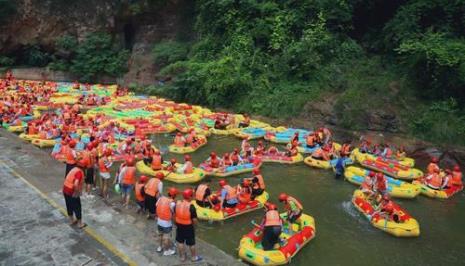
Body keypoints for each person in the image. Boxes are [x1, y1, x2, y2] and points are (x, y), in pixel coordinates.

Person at [175, 188, 202, 262]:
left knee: (180, 242)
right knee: (191, 243)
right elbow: (194, 220)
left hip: (179, 225)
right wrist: (195, 227)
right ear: (190, 197)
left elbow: (175, 214)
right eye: (192, 195)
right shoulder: (191, 207)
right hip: (188, 227)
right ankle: (193, 257)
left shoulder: (178, 203)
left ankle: (182, 257)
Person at [63, 159, 87, 229]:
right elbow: (76, 184)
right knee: (77, 206)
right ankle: (80, 223)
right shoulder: (79, 172)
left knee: (69, 205)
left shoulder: (74, 169)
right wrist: (77, 192)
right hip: (72, 191)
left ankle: (71, 220)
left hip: (65, 189)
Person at [156, 187, 178, 256]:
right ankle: (167, 251)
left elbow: (156, 205)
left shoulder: (161, 198)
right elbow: (173, 213)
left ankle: (159, 247)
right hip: (167, 223)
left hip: (159, 221)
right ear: (174, 195)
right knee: (166, 238)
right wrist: (175, 223)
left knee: (160, 235)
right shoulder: (172, 203)